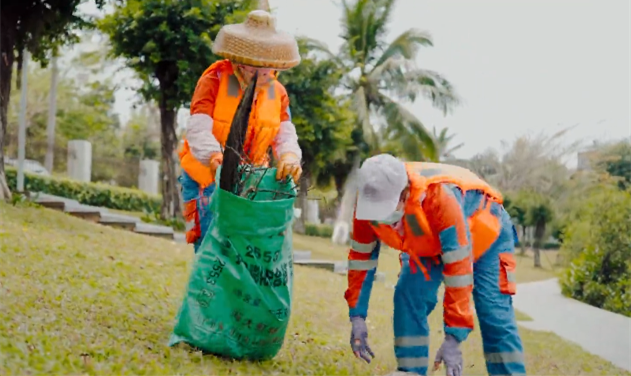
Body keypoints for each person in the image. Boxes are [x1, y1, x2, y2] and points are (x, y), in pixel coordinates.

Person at [344, 154, 526, 376]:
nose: (381, 221)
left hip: (487, 237)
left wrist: (453, 338)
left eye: (387, 212)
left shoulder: (439, 199)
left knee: (494, 316)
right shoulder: (367, 204)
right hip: (430, 242)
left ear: (405, 194)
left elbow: (459, 272)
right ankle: (410, 371)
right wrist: (357, 317)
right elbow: (361, 260)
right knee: (408, 293)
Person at [178, 2, 303, 252]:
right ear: (240, 61)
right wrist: (215, 158)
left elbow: (285, 133)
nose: (263, 72)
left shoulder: (277, 92)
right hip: (208, 179)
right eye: (256, 66)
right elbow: (199, 127)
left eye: (269, 67)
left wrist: (289, 157)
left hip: (252, 183)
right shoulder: (214, 79)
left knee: (245, 252)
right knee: (212, 250)